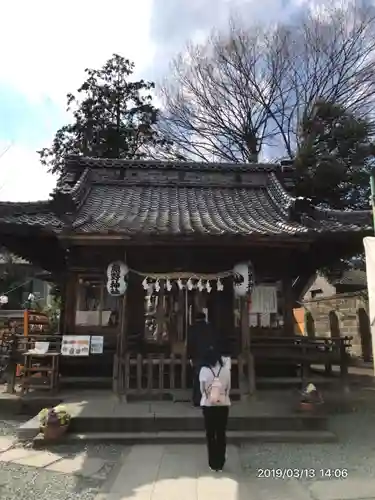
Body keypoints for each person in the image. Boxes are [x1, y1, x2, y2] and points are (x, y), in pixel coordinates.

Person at [199, 347, 231, 472]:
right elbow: (228, 388)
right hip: (223, 404)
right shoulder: (226, 371)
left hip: (209, 405)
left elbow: (202, 390)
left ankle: (213, 463)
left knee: (210, 434)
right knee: (221, 433)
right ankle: (221, 462)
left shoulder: (204, 371)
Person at [187, 311, 217, 407]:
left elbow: (190, 344)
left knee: (198, 379)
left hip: (197, 357)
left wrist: (190, 357)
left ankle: (197, 399)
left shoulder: (192, 329)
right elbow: (214, 343)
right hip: (209, 356)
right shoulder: (210, 328)